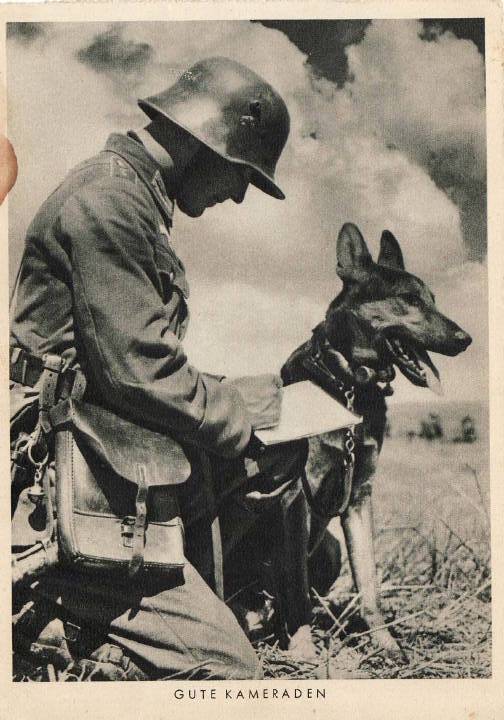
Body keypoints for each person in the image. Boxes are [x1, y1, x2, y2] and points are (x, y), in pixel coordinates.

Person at [10, 57, 309, 680]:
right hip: (71, 477)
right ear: (206, 139)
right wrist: (232, 407)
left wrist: (226, 395)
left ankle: (163, 609)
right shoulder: (107, 202)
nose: (238, 194)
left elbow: (124, 356)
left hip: (109, 448)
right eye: (241, 174)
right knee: (232, 677)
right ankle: (59, 622)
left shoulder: (134, 198)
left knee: (280, 452)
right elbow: (137, 371)